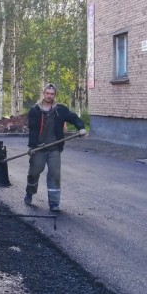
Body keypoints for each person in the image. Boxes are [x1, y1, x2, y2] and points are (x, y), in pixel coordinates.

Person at [24, 83, 87, 212]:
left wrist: (80, 128)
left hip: (54, 148)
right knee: (34, 172)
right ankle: (30, 192)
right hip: (39, 148)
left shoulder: (60, 109)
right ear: (43, 93)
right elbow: (33, 130)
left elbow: (73, 117)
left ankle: (54, 203)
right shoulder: (35, 110)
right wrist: (31, 146)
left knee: (54, 174)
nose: (49, 96)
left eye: (52, 94)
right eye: (47, 93)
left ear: (55, 95)